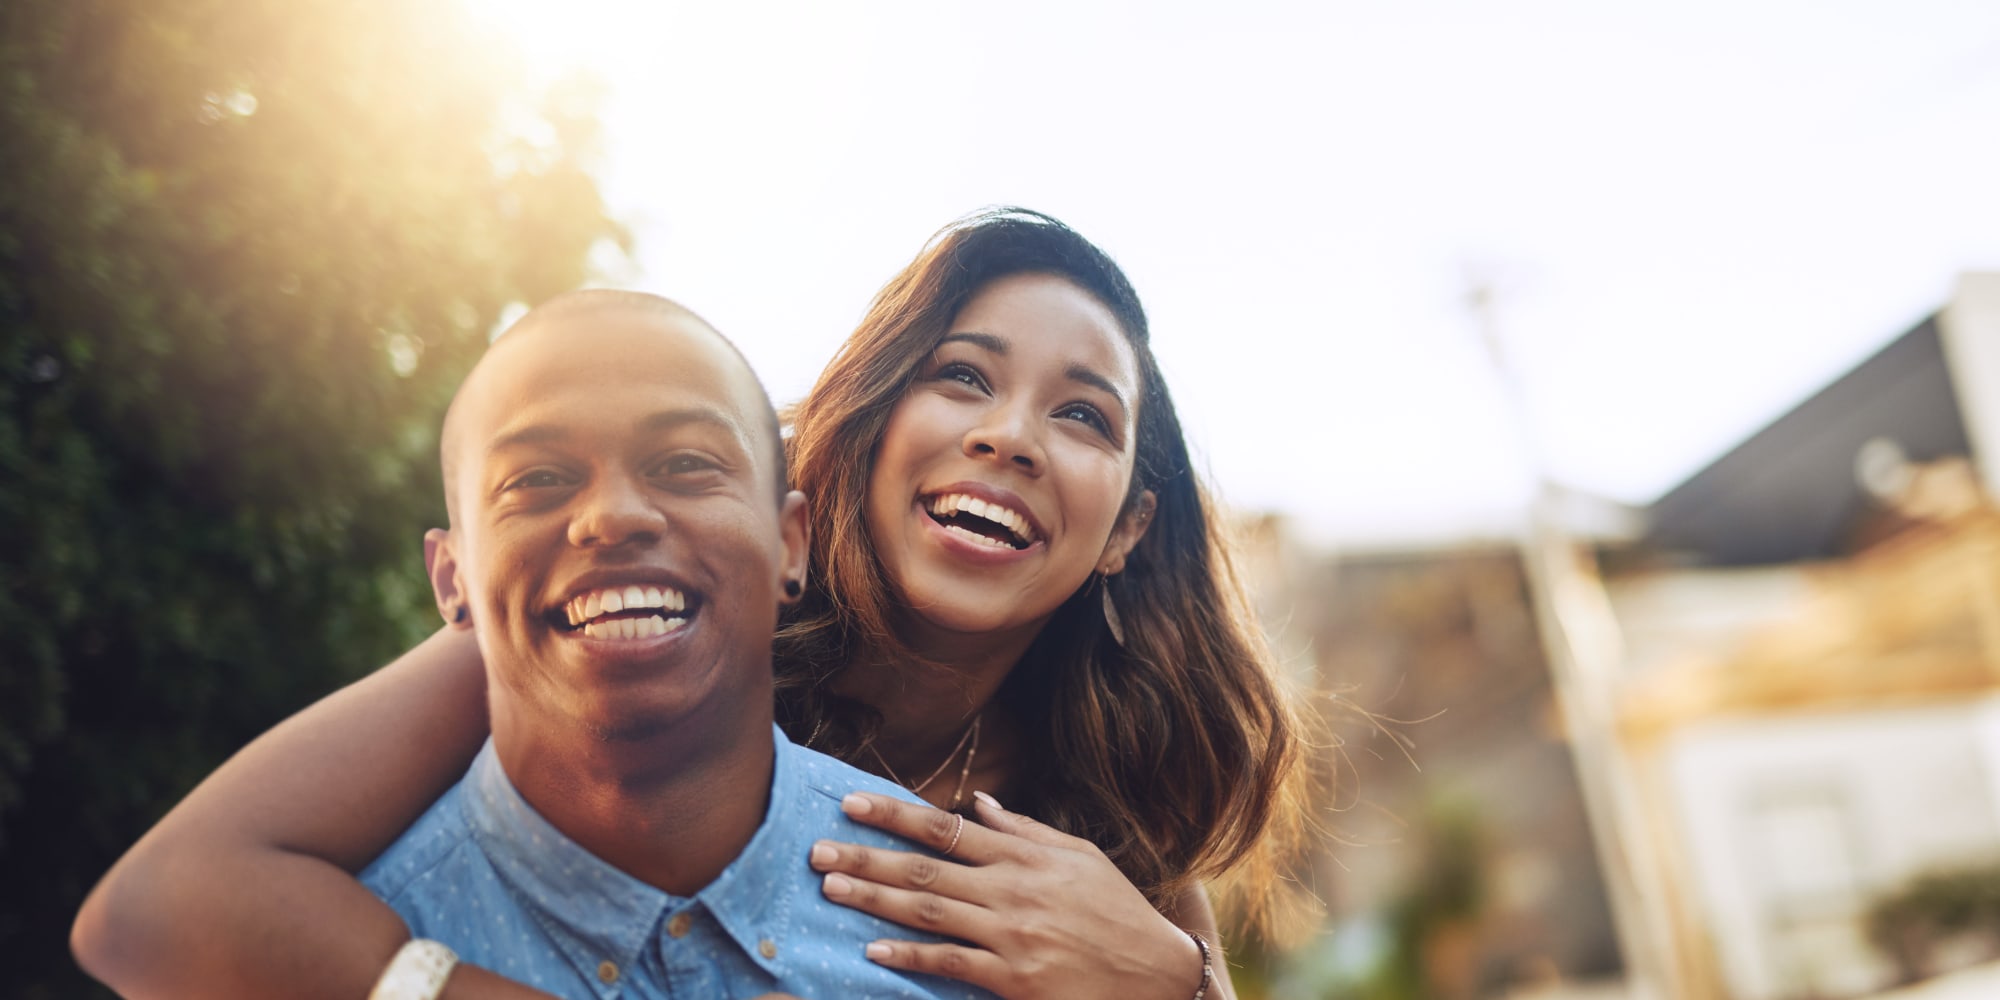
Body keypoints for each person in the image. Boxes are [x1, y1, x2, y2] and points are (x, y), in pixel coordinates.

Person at [72, 209, 1310, 999]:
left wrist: (1172, 992)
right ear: (852, 440)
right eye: (960, 377)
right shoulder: (658, 627)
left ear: (1125, 530)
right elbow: (168, 902)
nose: (1008, 436)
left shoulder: (1108, 833)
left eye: (1080, 413)